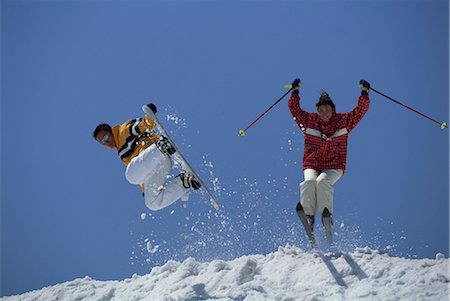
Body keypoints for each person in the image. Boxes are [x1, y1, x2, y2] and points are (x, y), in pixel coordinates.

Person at [288, 78, 370, 231]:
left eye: (327, 110)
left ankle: (327, 215)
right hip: (312, 163)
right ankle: (308, 216)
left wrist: (364, 94)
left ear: (333, 110)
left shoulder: (344, 121)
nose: (324, 113)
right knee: (309, 183)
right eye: (321, 110)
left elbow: (360, 111)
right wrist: (294, 93)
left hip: (334, 165)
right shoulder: (309, 121)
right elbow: (294, 110)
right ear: (317, 111)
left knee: (323, 182)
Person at [93, 103, 201, 211]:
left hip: (157, 154)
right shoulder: (122, 154)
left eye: (106, 137)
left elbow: (140, 125)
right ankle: (185, 181)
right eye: (102, 142)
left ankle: (161, 146)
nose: (106, 142)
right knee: (152, 203)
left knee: (130, 176)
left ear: (111, 131)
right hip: (157, 166)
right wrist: (147, 189)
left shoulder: (122, 131)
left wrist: (150, 117)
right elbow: (141, 169)